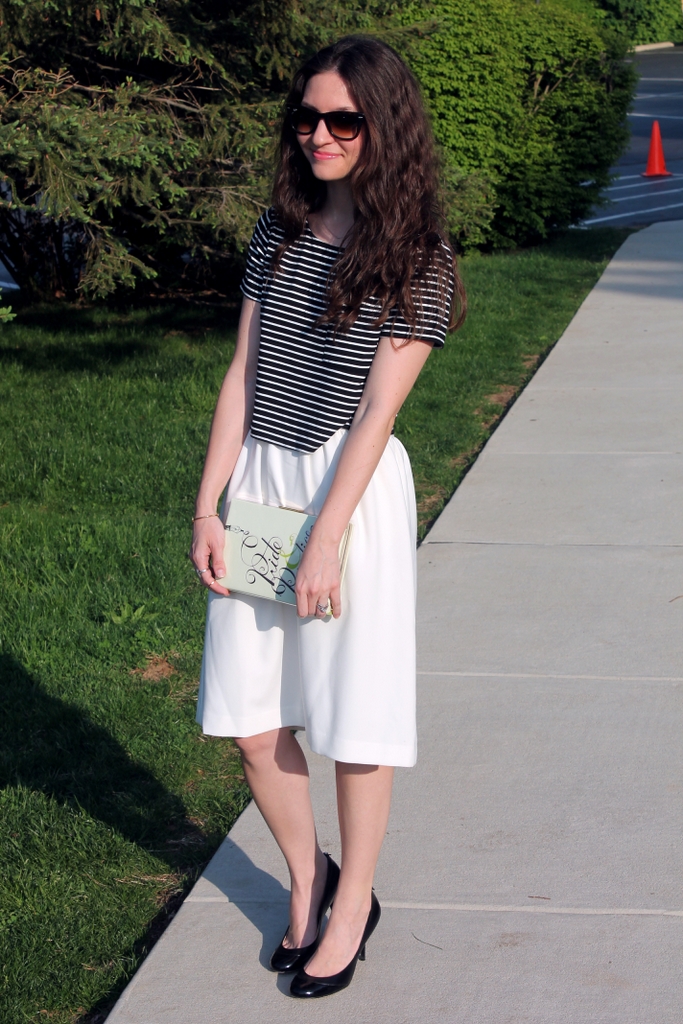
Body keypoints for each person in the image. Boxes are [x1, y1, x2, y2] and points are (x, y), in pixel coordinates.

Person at [190, 34, 465, 999]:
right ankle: (312, 882)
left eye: (342, 119)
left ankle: (352, 913)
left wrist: (328, 536)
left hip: (346, 491)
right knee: (249, 714)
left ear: (381, 127)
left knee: (354, 719)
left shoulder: (416, 253)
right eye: (306, 117)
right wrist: (211, 504)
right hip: (262, 479)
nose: (318, 134)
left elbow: (376, 412)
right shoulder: (278, 229)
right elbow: (243, 373)